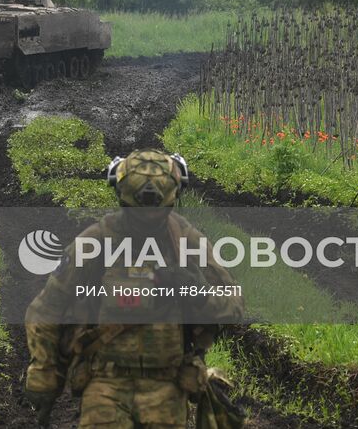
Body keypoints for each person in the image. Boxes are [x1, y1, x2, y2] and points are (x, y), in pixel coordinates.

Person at [23, 150, 244, 428]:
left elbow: (233, 304)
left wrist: (196, 292)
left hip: (166, 385)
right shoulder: (98, 241)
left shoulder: (185, 242)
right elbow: (47, 309)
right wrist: (44, 377)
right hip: (106, 385)